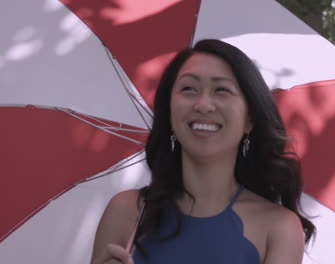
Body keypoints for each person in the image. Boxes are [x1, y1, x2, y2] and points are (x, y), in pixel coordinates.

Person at [90, 39, 315, 264]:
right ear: (169, 111)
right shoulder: (127, 210)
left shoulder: (278, 229)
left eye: (222, 90)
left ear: (250, 119)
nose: (203, 104)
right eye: (189, 89)